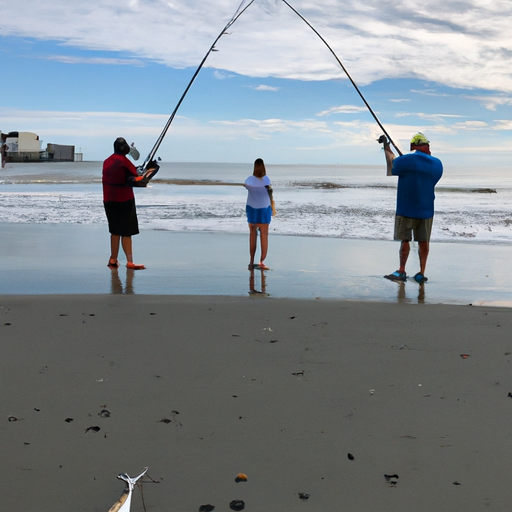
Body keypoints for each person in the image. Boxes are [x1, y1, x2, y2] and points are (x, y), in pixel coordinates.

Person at [380, 132, 443, 283]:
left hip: (406, 208)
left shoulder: (405, 160)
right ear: (425, 146)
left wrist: (386, 146)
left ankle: (401, 270)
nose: (430, 148)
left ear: (413, 146)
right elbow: (434, 178)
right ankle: (421, 272)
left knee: (405, 240)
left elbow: (392, 164)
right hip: (426, 209)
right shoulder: (437, 163)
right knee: (424, 241)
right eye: (428, 145)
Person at [102, 137, 158, 270]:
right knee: (127, 232)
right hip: (124, 200)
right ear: (125, 148)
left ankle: (113, 259)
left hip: (108, 200)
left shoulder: (106, 162)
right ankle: (130, 262)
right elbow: (136, 175)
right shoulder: (124, 161)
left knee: (115, 231)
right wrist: (149, 171)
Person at [244, 158, 274, 270]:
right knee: (264, 236)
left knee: (252, 236)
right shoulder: (266, 179)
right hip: (264, 209)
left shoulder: (249, 179)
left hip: (252, 209)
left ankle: (251, 261)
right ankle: (261, 261)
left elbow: (247, 185)